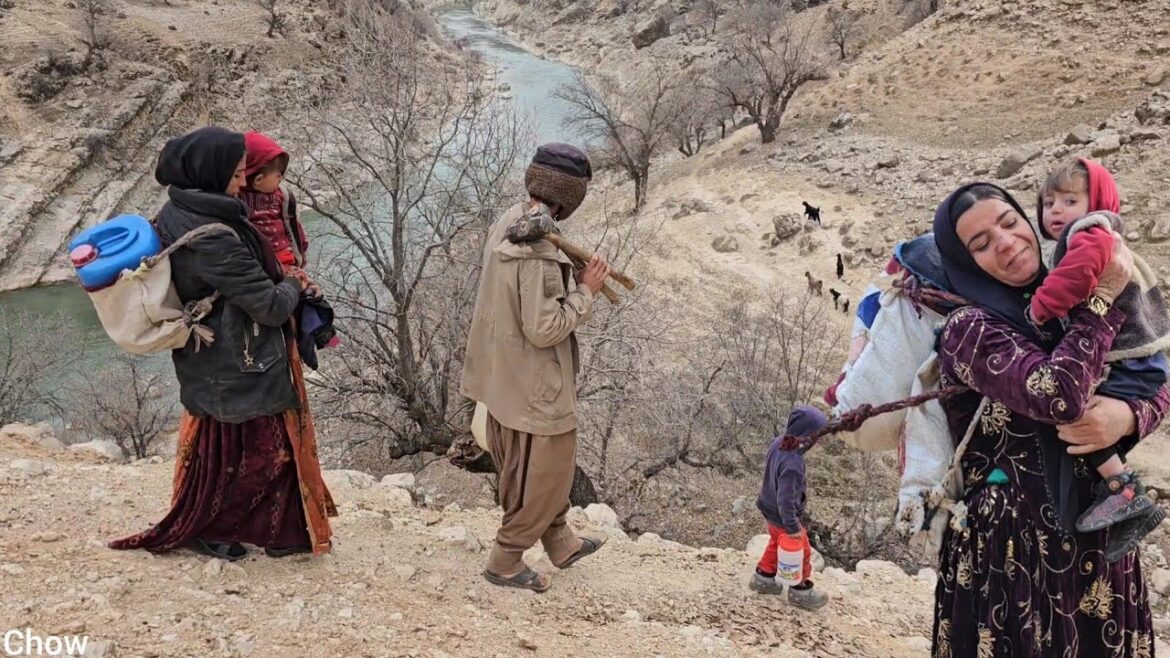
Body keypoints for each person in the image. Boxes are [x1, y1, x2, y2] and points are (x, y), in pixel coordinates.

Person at [930, 182, 1169, 656]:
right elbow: (1057, 394)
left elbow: (1154, 373)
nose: (1004, 240)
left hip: (1099, 536)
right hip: (1009, 556)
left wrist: (1127, 418)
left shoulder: (1068, 293)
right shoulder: (969, 329)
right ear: (966, 261)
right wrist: (1101, 301)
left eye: (1009, 222)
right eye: (980, 243)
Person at [109, 126, 336, 561]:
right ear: (211, 175)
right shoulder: (215, 235)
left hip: (216, 356)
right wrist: (293, 282)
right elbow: (268, 307)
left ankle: (275, 530)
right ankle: (216, 528)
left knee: (230, 450)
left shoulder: (182, 209)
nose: (241, 182)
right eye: (234, 175)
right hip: (240, 359)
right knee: (266, 452)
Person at [461, 143, 609, 592]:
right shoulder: (539, 250)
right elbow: (545, 329)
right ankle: (505, 560)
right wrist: (587, 290)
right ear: (570, 196)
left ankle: (560, 541)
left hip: (503, 372)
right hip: (535, 382)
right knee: (547, 471)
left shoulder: (510, 220)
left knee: (522, 466)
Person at [1031, 158, 1169, 537]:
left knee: (1076, 409)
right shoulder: (1092, 235)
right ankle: (1118, 491)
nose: (1056, 209)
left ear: (1097, 205)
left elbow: (1078, 275)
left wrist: (1041, 306)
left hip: (1127, 359)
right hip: (1138, 359)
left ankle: (1123, 492)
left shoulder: (1089, 234)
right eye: (1048, 203)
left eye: (1070, 201)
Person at [748, 405, 829, 611]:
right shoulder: (793, 464)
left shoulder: (778, 443)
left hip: (768, 507)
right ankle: (800, 590)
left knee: (776, 542)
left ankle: (763, 578)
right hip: (783, 516)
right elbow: (785, 499)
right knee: (801, 549)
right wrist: (793, 527)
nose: (818, 441)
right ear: (806, 435)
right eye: (817, 436)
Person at [238, 131, 309, 270]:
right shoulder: (236, 196)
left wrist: (302, 248)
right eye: (278, 174)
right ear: (259, 179)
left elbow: (294, 224)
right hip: (256, 262)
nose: (281, 178)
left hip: (286, 258)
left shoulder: (282, 195)